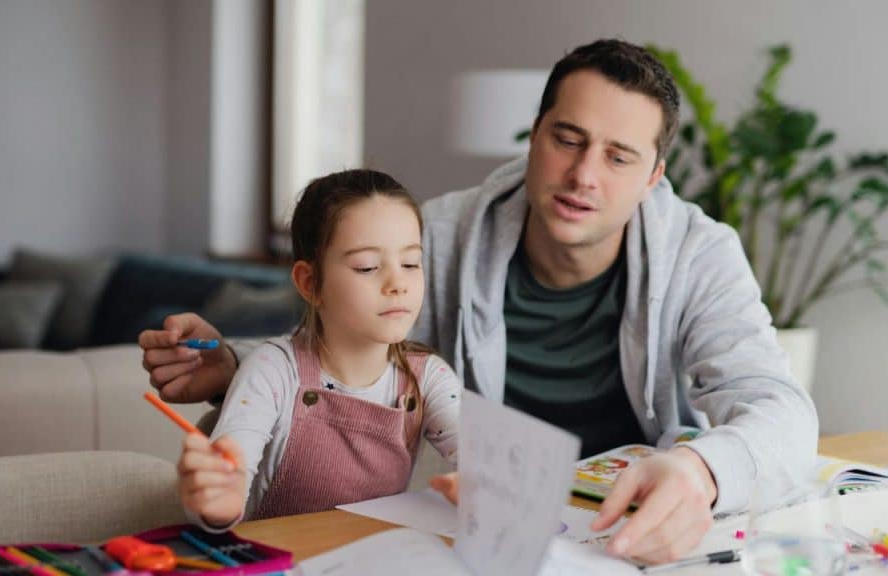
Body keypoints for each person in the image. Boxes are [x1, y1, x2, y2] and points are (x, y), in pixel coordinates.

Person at [141, 39, 817, 561]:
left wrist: (701, 470)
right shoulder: (437, 235)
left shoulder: (701, 253)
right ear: (535, 132)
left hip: (630, 534)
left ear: (653, 177)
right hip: (486, 530)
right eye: (568, 139)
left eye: (618, 156)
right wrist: (232, 368)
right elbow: (347, 346)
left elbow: (781, 410)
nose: (583, 175)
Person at [176, 169, 460, 530]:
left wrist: (485, 483)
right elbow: (225, 485)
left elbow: (480, 458)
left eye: (410, 263)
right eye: (367, 266)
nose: (397, 284)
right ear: (310, 283)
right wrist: (218, 502)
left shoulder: (429, 378)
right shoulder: (272, 370)